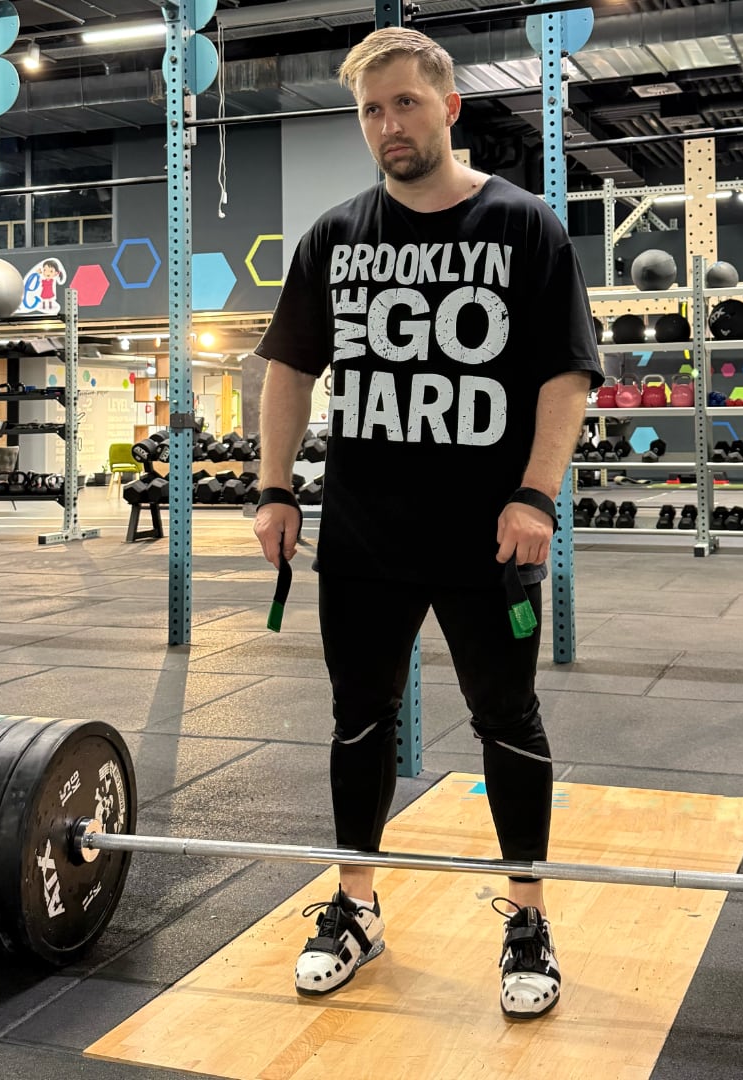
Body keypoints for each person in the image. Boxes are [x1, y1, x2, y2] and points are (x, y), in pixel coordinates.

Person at [252, 26, 601, 1019]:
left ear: (449, 107)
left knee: (507, 720)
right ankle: (356, 905)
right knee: (357, 719)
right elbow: (289, 368)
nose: (388, 125)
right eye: (371, 110)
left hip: (489, 536)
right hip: (365, 535)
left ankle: (527, 916)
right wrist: (275, 489)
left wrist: (536, 495)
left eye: (405, 103)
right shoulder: (334, 236)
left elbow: (566, 373)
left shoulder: (523, 225)